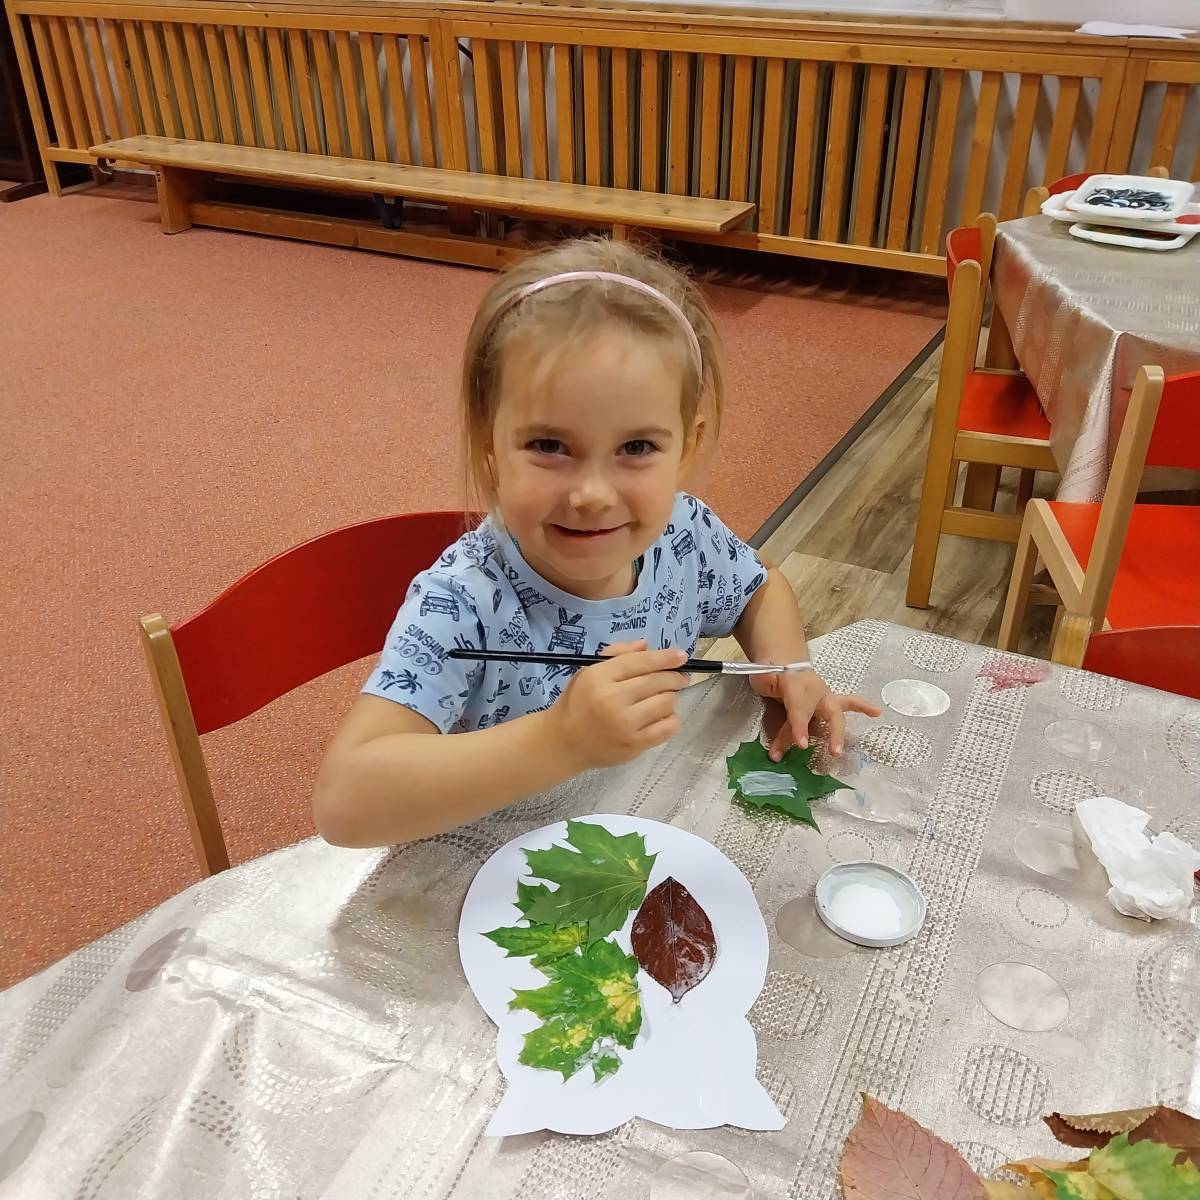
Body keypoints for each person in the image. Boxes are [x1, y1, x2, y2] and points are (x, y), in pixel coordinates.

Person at [313, 238, 879, 847]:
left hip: (645, 830)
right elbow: (343, 806)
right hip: (496, 867)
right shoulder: (461, 602)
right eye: (549, 446)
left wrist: (788, 666)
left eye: (636, 447)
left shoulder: (684, 534)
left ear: (686, 446)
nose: (592, 494)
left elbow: (759, 588)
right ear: (488, 444)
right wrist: (560, 741)